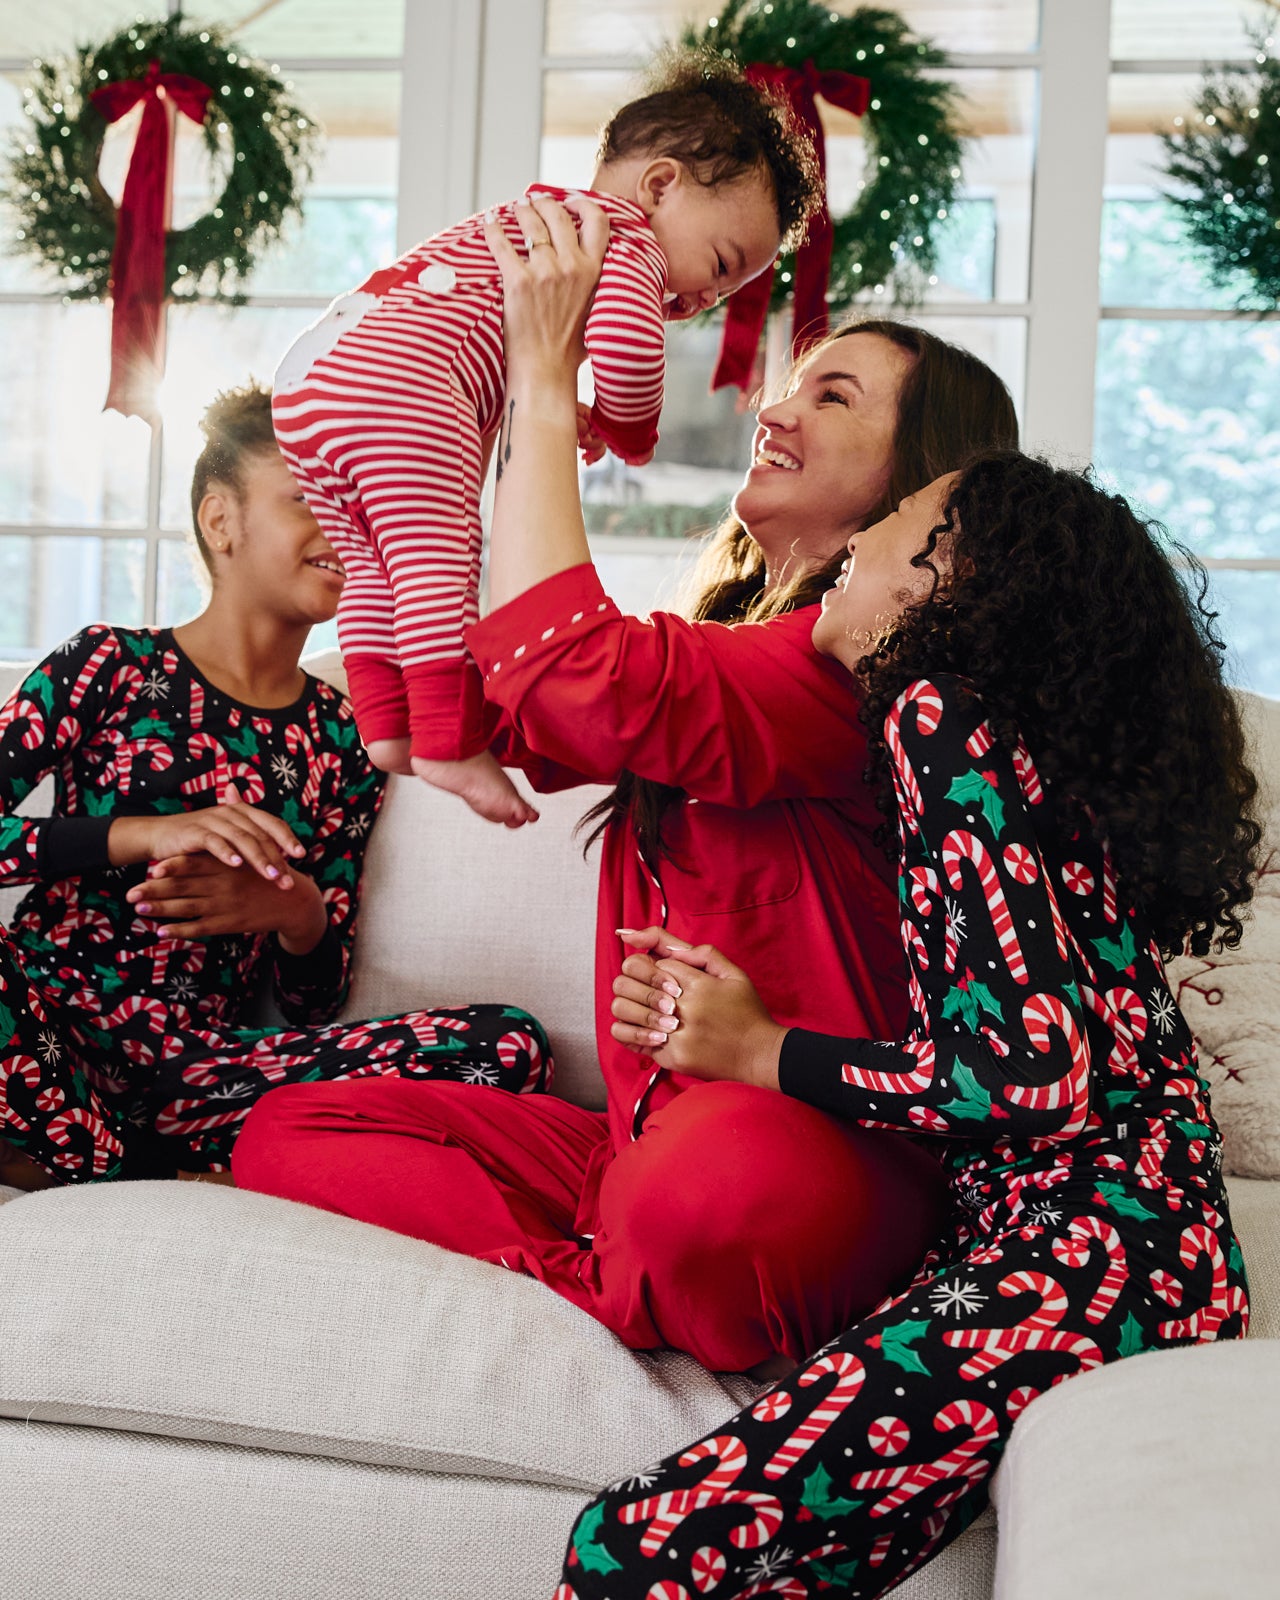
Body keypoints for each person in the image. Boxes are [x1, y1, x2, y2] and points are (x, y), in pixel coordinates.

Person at [232, 197, 1020, 1376]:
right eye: (792, 384)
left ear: (917, 485)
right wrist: (419, 421)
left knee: (711, 1209)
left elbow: (573, 672)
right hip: (646, 1138)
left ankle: (625, 1260)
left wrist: (549, 388)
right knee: (293, 1126)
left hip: (819, 1140)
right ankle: (616, 1267)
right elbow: (506, 698)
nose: (774, 408)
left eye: (831, 396)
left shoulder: (860, 675)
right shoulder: (729, 648)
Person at [558, 457, 1259, 1597]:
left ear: (951, 572)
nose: (848, 547)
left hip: (1087, 1264)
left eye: (886, 523)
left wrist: (757, 1049)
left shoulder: (938, 717)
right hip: (1137, 1267)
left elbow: (1024, 1076)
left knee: (631, 1550)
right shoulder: (1002, 746)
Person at [0, 384, 549, 1191]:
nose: (346, 533)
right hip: (42, 1030)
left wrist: (297, 914)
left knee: (513, 1045)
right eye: (311, 502)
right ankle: (130, 1176)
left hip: (198, 1076)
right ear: (222, 521)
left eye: (357, 511)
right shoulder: (107, 664)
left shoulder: (346, 737)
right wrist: (143, 833)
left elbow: (310, 1005)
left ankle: (103, 1165)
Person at [271, 49, 820, 826]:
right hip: (399, 380)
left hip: (316, 376)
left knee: (370, 556)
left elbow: (533, 350)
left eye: (728, 292)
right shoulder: (618, 238)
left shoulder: (542, 222)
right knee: (437, 547)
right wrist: (631, 430)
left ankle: (386, 719)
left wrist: (573, 407)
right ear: (660, 186)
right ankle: (445, 737)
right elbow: (628, 354)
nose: (705, 297)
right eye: (720, 264)